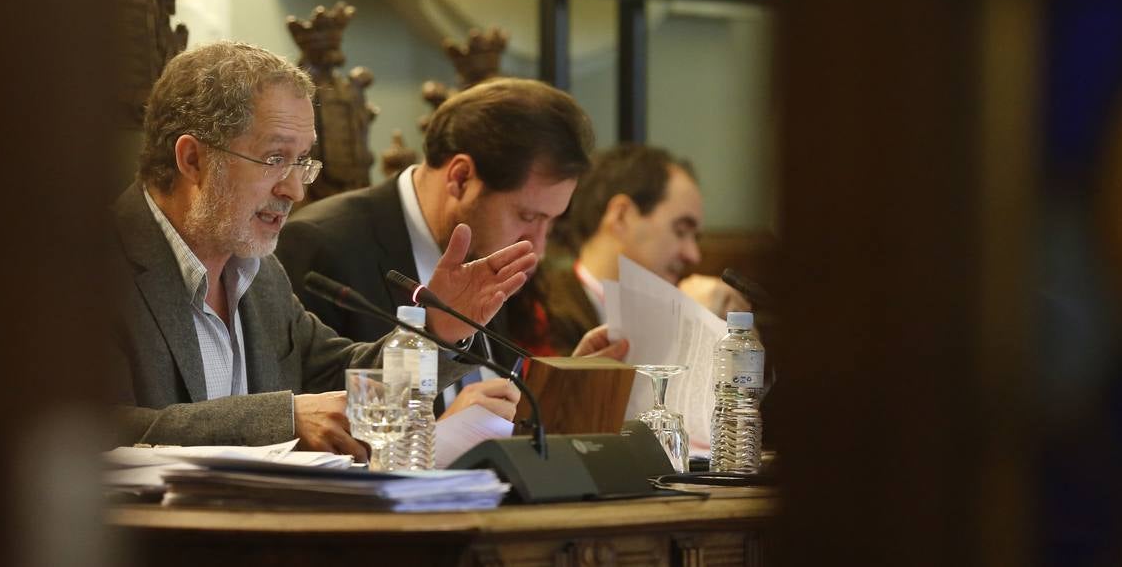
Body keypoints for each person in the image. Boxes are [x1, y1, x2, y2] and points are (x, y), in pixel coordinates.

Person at [111, 41, 538, 454]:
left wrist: (437, 332)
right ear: (193, 160)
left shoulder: (262, 276)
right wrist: (283, 418)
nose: (295, 189)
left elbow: (345, 381)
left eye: (302, 161)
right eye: (275, 158)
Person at [277, 77, 627, 409]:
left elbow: (502, 410)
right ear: (461, 178)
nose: (537, 247)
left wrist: (562, 391)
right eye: (528, 217)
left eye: (550, 222)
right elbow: (316, 424)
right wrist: (444, 427)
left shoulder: (489, 248)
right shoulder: (323, 248)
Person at [509, 143, 747, 356]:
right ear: (621, 216)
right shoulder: (540, 308)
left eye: (695, 238)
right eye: (681, 231)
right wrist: (688, 327)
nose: (693, 254)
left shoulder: (658, 307)